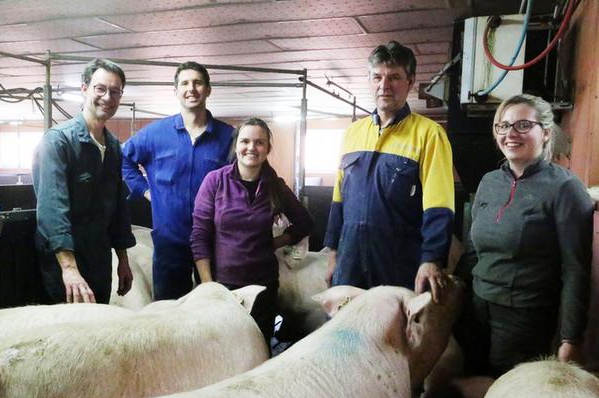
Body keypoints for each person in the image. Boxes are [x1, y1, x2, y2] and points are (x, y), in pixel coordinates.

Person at [455, 94, 593, 376]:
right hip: (477, 307)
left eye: (522, 125)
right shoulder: (489, 182)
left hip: (525, 317)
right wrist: (455, 290)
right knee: (470, 381)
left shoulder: (565, 188)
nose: (510, 134)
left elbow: (575, 269)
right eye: (503, 126)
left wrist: (570, 338)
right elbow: (472, 251)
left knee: (508, 392)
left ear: (545, 132)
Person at [323, 41, 455, 302]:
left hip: (399, 261)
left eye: (395, 77)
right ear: (369, 80)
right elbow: (338, 199)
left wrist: (431, 259)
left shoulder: (429, 134)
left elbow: (440, 205)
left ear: (411, 81)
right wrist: (332, 250)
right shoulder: (352, 134)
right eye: (378, 77)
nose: (385, 85)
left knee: (393, 337)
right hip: (350, 259)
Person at [190, 117, 313, 349]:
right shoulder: (215, 182)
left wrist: (274, 242)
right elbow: (199, 235)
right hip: (223, 285)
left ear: (267, 149)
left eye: (259, 142)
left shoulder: (275, 186)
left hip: (263, 287)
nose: (251, 148)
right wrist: (209, 286)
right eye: (245, 141)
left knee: (257, 351)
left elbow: (304, 222)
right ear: (236, 145)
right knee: (221, 350)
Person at [122, 61, 234, 301]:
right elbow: (123, 160)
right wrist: (144, 190)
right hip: (169, 241)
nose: (191, 88)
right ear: (176, 91)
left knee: (215, 306)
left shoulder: (229, 137)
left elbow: (248, 173)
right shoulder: (155, 134)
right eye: (184, 83)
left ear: (208, 89)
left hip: (215, 240)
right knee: (168, 310)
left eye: (198, 83)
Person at [32, 58, 135, 304]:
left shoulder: (113, 147)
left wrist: (123, 260)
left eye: (115, 91)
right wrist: (69, 269)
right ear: (84, 88)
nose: (107, 97)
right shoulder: (58, 142)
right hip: (64, 263)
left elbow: (118, 208)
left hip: (99, 259)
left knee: (98, 329)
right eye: (100, 89)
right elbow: (52, 210)